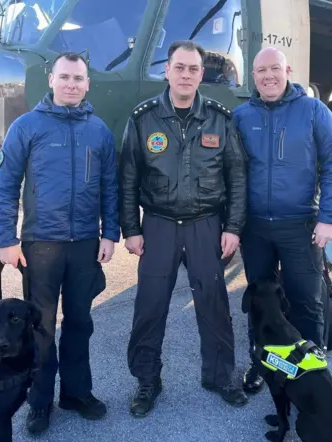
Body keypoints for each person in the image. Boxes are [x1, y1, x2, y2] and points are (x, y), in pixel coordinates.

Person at [0, 52, 120, 434]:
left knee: (80, 323)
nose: (71, 85)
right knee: (41, 328)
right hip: (40, 246)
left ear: (87, 84)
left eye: (78, 79)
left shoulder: (99, 131)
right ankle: (40, 401)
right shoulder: (26, 127)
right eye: (65, 77)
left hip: (84, 244)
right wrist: (6, 239)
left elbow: (110, 188)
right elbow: (5, 185)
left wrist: (109, 233)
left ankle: (77, 393)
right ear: (51, 80)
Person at [120, 40, 249, 417]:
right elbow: (128, 177)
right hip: (158, 224)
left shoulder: (219, 118)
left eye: (194, 69)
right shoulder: (143, 118)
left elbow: (236, 177)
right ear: (168, 71)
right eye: (180, 67)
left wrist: (234, 227)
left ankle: (220, 376)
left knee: (213, 305)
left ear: (201, 74)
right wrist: (131, 228)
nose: (187, 75)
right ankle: (147, 381)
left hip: (206, 224)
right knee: (149, 306)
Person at [232, 47, 332, 393]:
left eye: (274, 68)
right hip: (255, 228)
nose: (268, 76)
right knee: (260, 301)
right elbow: (229, 172)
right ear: (252, 76)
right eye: (260, 70)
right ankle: (261, 363)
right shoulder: (240, 116)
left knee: (306, 300)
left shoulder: (313, 111)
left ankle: (313, 372)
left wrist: (329, 218)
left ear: (288, 70)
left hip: (301, 224)